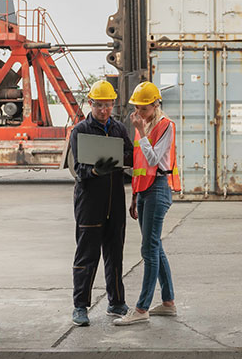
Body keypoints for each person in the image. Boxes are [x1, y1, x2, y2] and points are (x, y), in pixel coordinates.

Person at [113, 81, 181, 326]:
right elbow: (139, 165)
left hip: (158, 190)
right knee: (155, 247)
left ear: (155, 105)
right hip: (144, 191)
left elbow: (153, 160)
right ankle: (168, 303)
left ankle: (141, 309)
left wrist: (141, 132)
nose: (139, 112)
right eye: (137, 108)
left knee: (149, 250)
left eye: (144, 108)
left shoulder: (165, 126)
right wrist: (134, 196)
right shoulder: (143, 126)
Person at [70, 80, 134, 326]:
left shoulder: (118, 129)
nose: (104, 110)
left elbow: (130, 154)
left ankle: (116, 302)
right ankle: (80, 306)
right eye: (99, 106)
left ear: (113, 104)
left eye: (107, 106)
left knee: (115, 253)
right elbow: (79, 169)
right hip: (90, 203)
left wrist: (119, 159)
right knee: (87, 255)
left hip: (115, 201)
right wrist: (95, 171)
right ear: (90, 104)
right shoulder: (80, 131)